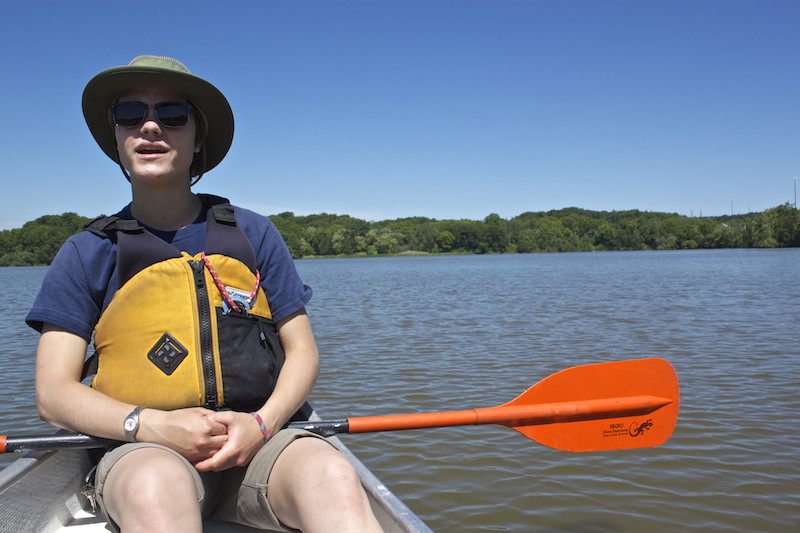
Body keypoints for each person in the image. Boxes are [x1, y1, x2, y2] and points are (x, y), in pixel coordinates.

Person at [26, 55, 383, 533]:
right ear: (116, 136)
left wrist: (261, 424)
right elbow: (53, 394)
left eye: (172, 115)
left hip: (260, 445)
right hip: (142, 450)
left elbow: (303, 352)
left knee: (333, 475)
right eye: (130, 114)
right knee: (155, 485)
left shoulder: (254, 234)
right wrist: (152, 426)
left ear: (198, 140)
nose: (150, 126)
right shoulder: (87, 251)